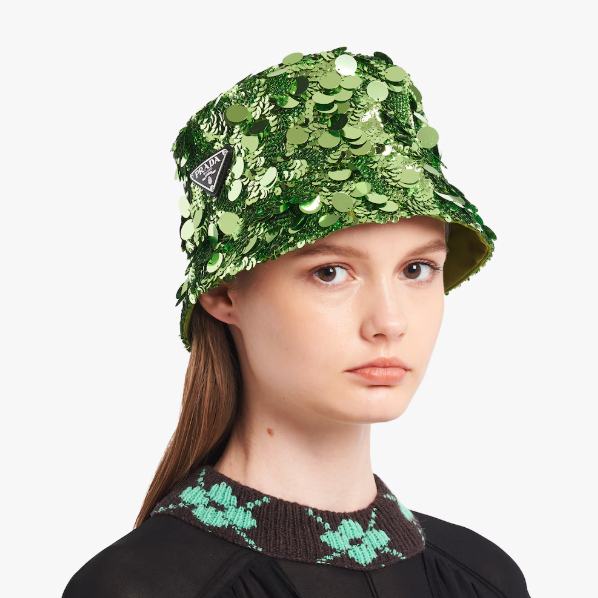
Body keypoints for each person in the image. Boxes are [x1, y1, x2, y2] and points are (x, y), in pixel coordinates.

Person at [62, 47, 531, 597]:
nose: (389, 322)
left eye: (416, 269)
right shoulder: (138, 588)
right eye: (330, 272)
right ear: (223, 292)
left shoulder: (485, 578)